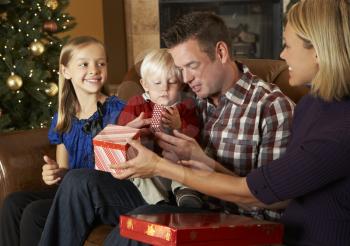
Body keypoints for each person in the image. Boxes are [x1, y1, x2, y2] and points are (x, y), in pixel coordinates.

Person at [39, 11, 294, 246]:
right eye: (179, 70)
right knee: (78, 181)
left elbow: (269, 199)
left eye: (191, 66)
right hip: (174, 199)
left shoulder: (270, 107)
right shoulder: (193, 97)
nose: (183, 79)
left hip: (226, 214)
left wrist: (196, 161)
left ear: (221, 52)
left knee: (139, 223)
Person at [115, 0, 350, 245]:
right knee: (86, 185)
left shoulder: (326, 127)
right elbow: (279, 190)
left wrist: (159, 166)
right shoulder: (312, 105)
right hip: (196, 203)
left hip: (256, 228)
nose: (282, 54)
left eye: (288, 45)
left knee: (141, 225)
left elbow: (263, 197)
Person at [0, 36, 125, 246]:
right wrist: (55, 174)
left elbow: (118, 170)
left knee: (34, 213)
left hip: (97, 194)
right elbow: (64, 172)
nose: (94, 69)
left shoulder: (117, 110)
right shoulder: (63, 116)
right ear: (66, 71)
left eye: (101, 63)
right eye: (84, 64)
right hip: (70, 189)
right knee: (14, 203)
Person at [117, 48, 203, 208]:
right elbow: (120, 136)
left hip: (176, 162)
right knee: (135, 166)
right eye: (157, 83)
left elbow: (196, 138)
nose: (164, 88)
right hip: (148, 163)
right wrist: (130, 130)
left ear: (181, 84)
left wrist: (179, 126)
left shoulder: (186, 105)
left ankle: (185, 192)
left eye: (171, 82)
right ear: (145, 84)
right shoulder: (136, 104)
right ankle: (158, 202)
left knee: (191, 161)